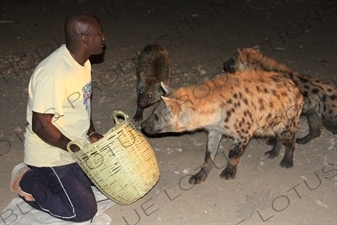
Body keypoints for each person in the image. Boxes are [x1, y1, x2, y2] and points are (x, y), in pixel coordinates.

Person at [10, 12, 105, 222]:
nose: (103, 38)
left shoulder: (83, 62)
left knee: (110, 181)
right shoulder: (54, 73)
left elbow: (82, 103)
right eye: (99, 34)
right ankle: (27, 180)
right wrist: (74, 148)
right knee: (82, 211)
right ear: (85, 39)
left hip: (72, 145)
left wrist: (91, 133)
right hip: (50, 153)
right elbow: (41, 125)